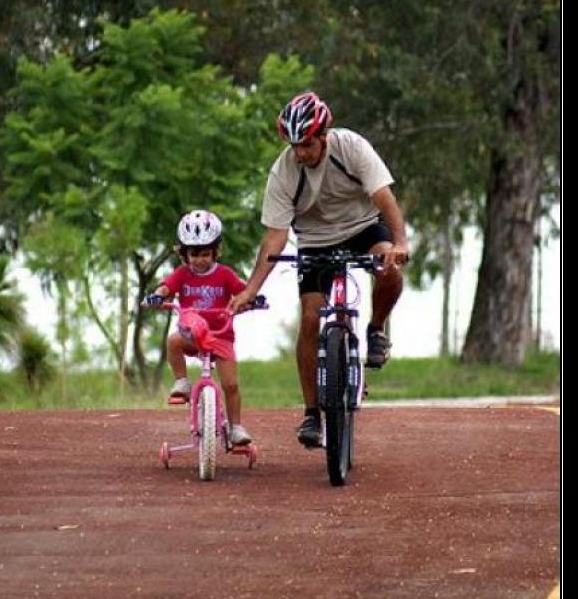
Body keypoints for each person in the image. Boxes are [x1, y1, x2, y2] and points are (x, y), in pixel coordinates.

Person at [229, 91, 409, 448]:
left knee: (389, 269)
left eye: (307, 144)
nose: (300, 153)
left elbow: (384, 199)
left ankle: (375, 330)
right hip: (314, 239)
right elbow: (275, 237)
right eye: (294, 145)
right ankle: (312, 413)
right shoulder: (283, 171)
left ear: (324, 136)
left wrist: (400, 242)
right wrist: (251, 289)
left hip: (363, 226)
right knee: (311, 318)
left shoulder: (352, 148)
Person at [151, 209, 253, 447]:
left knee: (231, 384)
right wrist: (157, 296)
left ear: (216, 251)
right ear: (184, 254)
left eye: (206, 253)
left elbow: (242, 290)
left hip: (221, 336)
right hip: (192, 335)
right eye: (194, 254)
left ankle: (236, 426)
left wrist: (251, 299)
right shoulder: (182, 275)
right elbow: (166, 288)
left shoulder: (225, 275)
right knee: (173, 341)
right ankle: (182, 382)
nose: (200, 259)